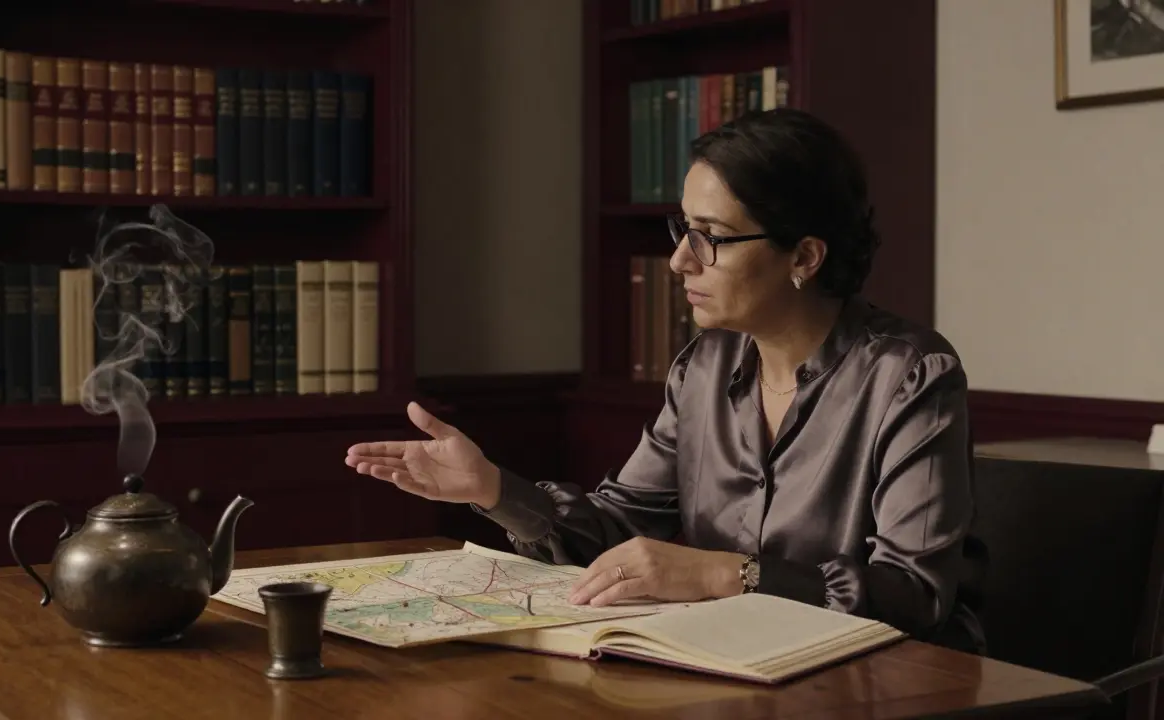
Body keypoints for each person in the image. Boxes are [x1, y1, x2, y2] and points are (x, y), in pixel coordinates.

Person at [345, 108, 987, 655]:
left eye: (710, 238)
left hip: (889, 692)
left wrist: (728, 576)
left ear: (804, 256)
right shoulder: (703, 368)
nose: (680, 260)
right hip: (735, 674)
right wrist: (490, 489)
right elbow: (619, 526)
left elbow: (915, 596)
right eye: (683, 229)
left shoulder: (910, 376)